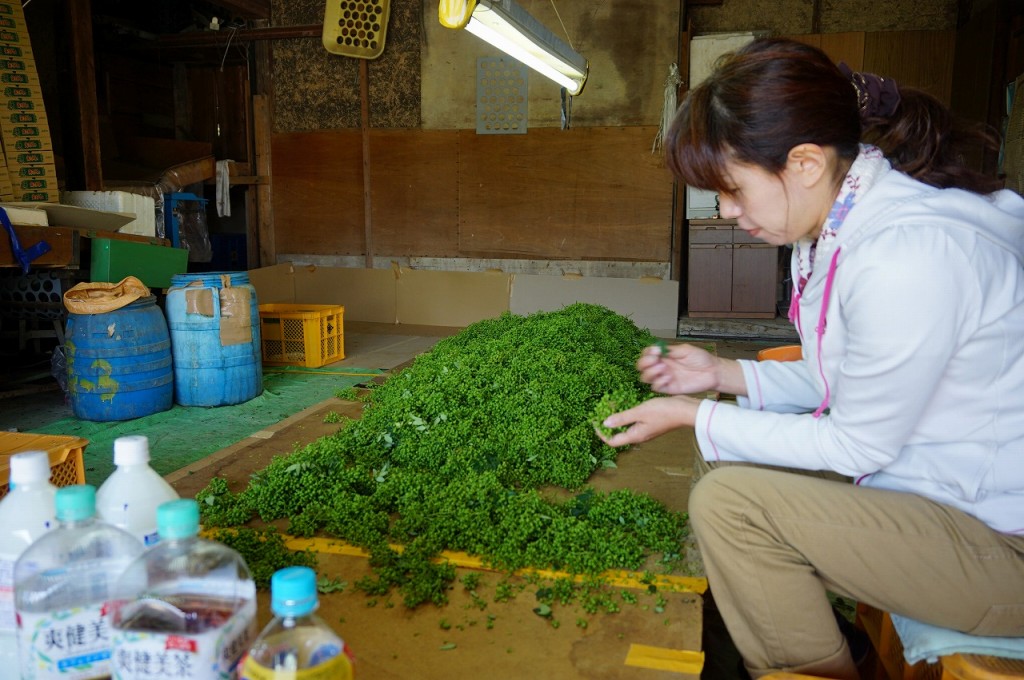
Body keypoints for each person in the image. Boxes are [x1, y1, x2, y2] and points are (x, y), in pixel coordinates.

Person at [599, 38, 1024, 680]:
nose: (727, 211)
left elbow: (856, 443)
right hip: (946, 497)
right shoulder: (845, 227)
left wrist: (693, 414)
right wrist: (720, 374)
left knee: (731, 505)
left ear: (803, 163)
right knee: (735, 462)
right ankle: (834, 648)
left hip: (1001, 542)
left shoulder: (907, 256)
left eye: (734, 189)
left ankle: (815, 665)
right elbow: (843, 378)